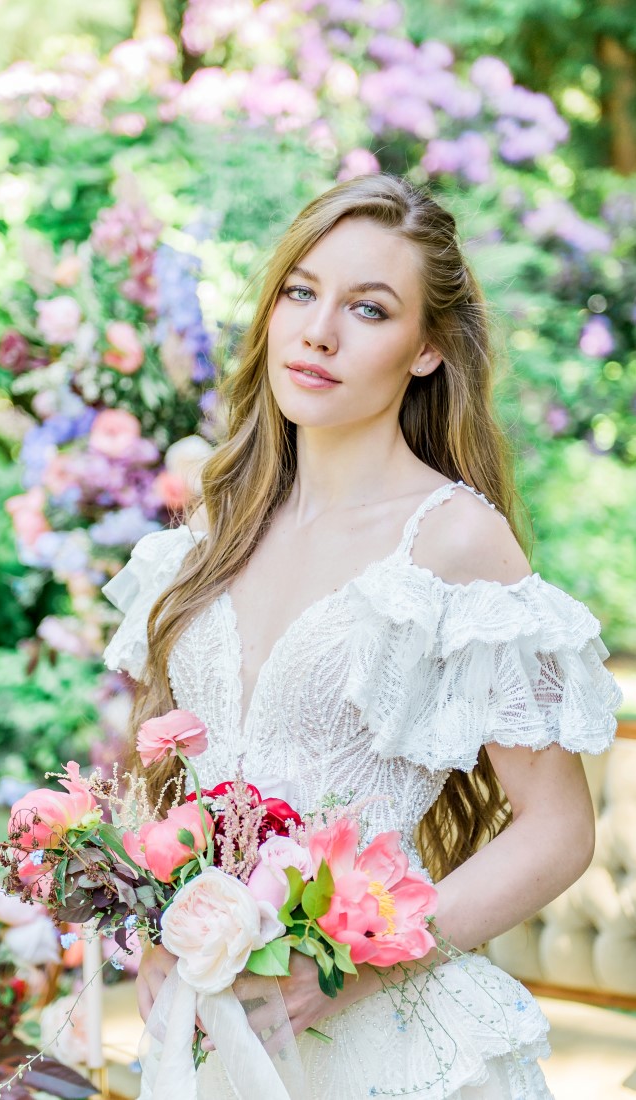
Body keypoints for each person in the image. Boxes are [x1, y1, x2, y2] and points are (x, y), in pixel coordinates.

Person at [101, 174, 622, 1098]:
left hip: (392, 1048)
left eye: (368, 309)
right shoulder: (212, 526)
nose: (318, 332)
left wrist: (347, 966)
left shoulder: (452, 541)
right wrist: (159, 926)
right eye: (300, 292)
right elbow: (173, 778)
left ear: (424, 350)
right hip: (215, 1034)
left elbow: (555, 831)